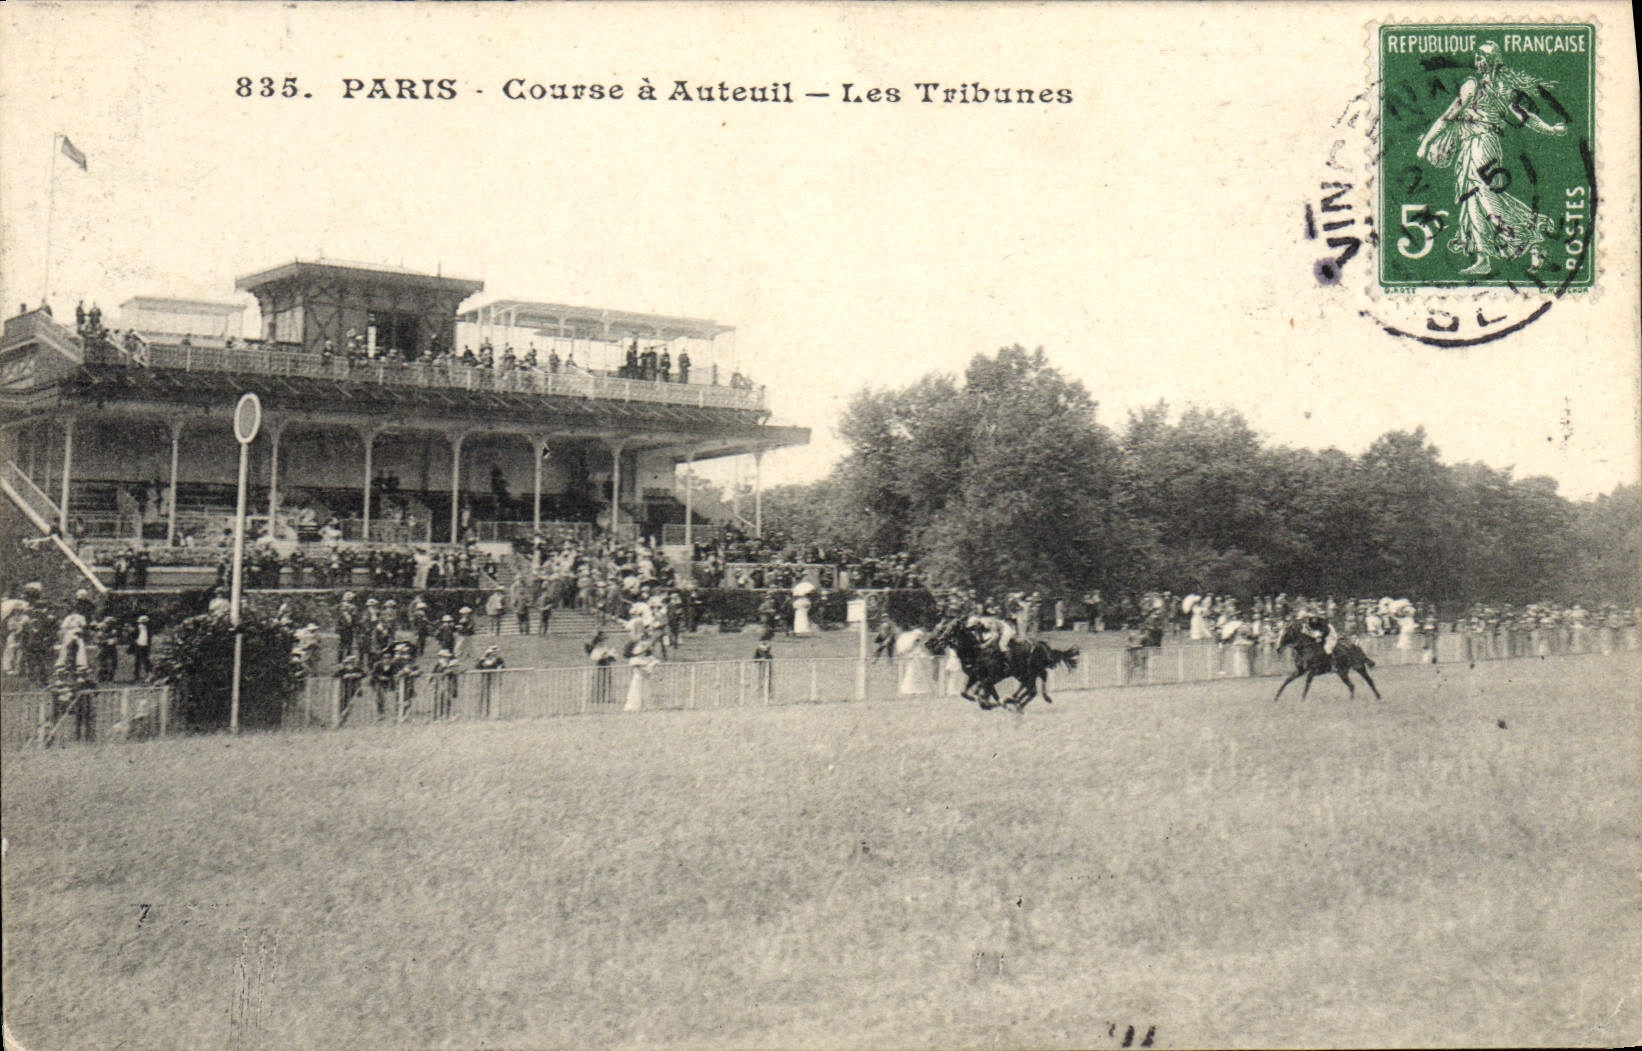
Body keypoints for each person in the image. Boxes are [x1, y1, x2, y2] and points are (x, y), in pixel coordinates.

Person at [1416, 40, 1565, 276]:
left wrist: (1549, 129)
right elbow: (1448, 115)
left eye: (1483, 56)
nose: (1478, 61)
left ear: (1493, 61)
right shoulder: (1471, 85)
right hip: (1468, 146)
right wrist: (1426, 143)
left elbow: (1523, 117)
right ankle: (1487, 256)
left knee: (1483, 195)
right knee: (1472, 199)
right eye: (1477, 56)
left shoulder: (1499, 89)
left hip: (1484, 145)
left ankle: (1531, 234)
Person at [475, 645, 505, 718]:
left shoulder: (499, 660)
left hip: (495, 680)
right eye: (492, 650)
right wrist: (483, 658)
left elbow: (503, 667)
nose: (493, 652)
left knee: (495, 696)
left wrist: (500, 666)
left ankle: (495, 714)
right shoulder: (484, 659)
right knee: (484, 696)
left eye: (495, 650)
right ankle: (483, 714)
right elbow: (477, 667)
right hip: (485, 680)